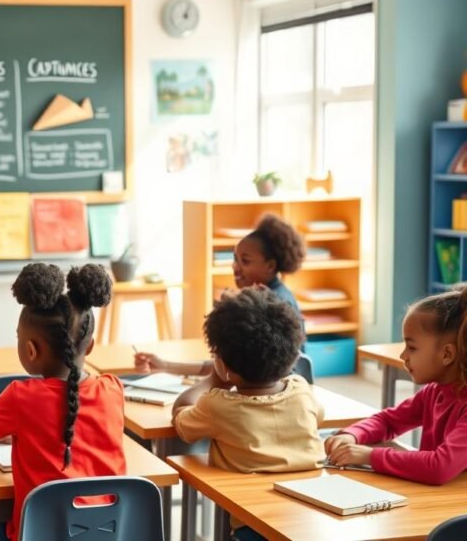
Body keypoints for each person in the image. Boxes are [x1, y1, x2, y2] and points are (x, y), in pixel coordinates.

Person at [0, 263, 122, 541]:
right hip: (109, 533)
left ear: (30, 350)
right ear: (92, 346)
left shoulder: (19, 397)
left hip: (39, 534)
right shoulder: (112, 389)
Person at [172, 287, 323, 541]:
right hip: (312, 516)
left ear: (224, 364)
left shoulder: (218, 406)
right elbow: (318, 416)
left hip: (254, 526)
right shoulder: (301, 391)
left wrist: (213, 380)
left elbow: (181, 421)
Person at [324, 287, 467, 484]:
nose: (403, 356)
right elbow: (389, 421)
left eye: (412, 347)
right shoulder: (433, 392)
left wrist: (369, 456)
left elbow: (439, 467)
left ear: (447, 355)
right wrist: (353, 434)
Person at [136, 213, 306, 376]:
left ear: (270, 266)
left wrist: (168, 367)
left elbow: (234, 372)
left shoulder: (273, 306)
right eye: (235, 259)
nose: (235, 267)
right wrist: (165, 366)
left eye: (245, 261)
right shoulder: (265, 298)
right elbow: (228, 367)